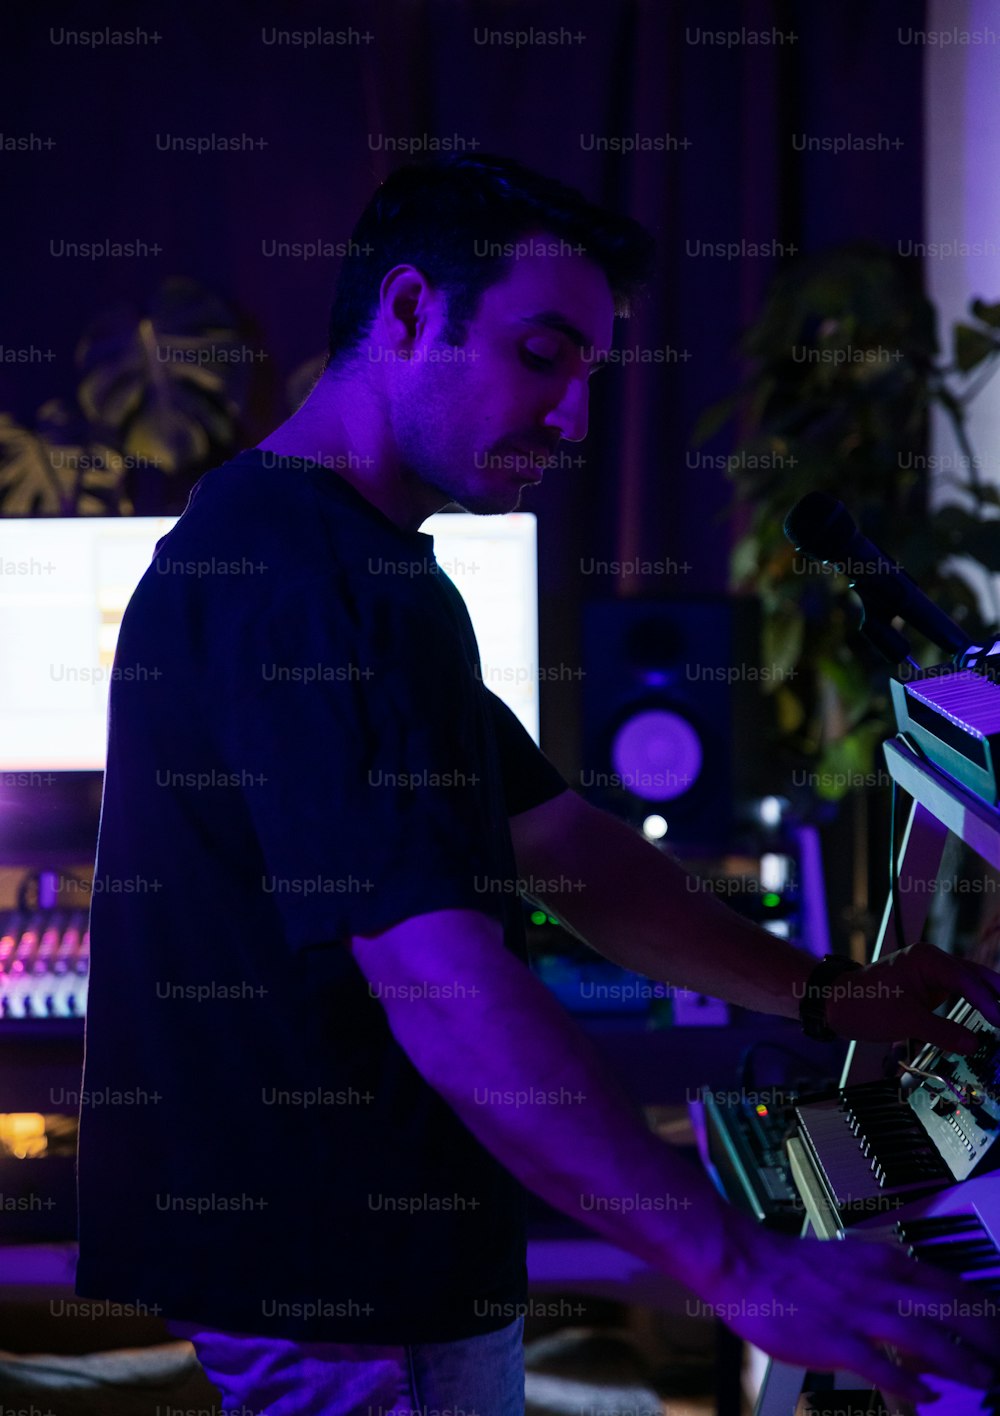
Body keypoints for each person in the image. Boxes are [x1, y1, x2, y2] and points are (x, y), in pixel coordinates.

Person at [75, 152, 1000, 1416]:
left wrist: (830, 994)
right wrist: (745, 1271)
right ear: (407, 312)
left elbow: (566, 848)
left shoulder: (353, 560)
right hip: (351, 1291)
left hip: (365, 1272)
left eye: (589, 376)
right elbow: (439, 979)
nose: (571, 419)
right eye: (541, 355)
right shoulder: (312, 579)